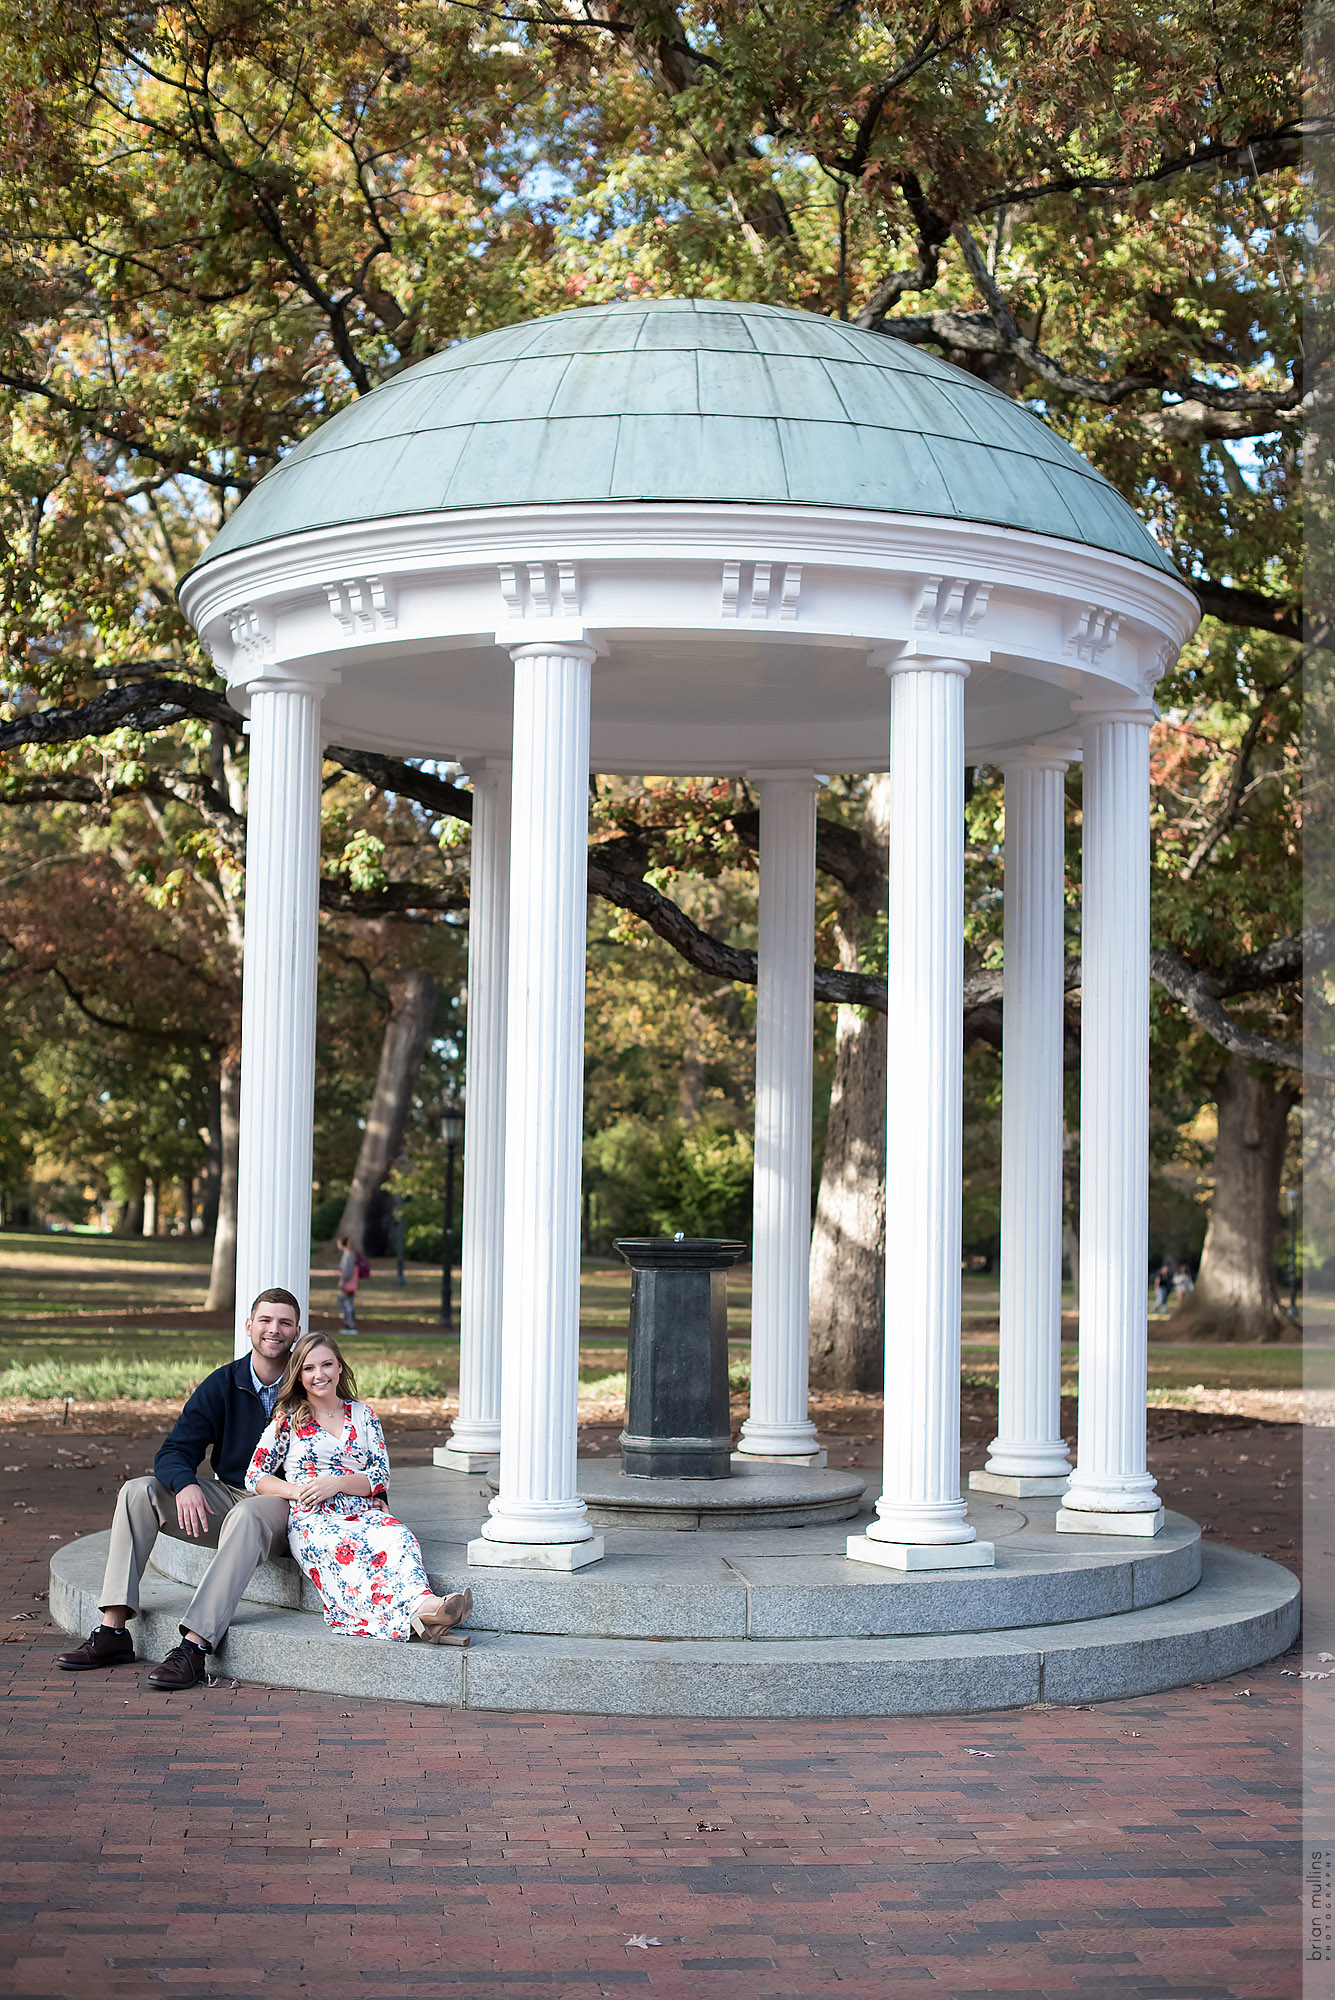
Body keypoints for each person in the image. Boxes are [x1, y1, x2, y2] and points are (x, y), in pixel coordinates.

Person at [56, 1288, 302, 1691]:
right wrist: (186, 1484)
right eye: (265, 1320)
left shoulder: (309, 1381)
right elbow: (174, 1450)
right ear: (249, 1327)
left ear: (296, 1331)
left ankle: (193, 1647)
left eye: (284, 1323)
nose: (274, 1330)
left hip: (289, 1503)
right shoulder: (225, 1383)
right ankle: (113, 1631)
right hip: (236, 1492)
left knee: (247, 1513)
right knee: (139, 1492)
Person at [246, 1330, 472, 1645]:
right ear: (299, 1377)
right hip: (314, 1519)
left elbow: (380, 1474)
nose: (319, 1374)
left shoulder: (363, 1415)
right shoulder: (289, 1419)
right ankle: (427, 1613)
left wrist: (337, 1483)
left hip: (361, 1509)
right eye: (308, 1369)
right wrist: (299, 1491)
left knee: (398, 1538)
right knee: (347, 1557)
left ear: (340, 1367)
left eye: (326, 1365)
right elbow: (256, 1475)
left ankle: (427, 1605)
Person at [336, 1235, 360, 1332]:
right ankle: (349, 1322)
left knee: (345, 1302)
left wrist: (342, 1280)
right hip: (349, 1283)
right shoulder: (348, 1254)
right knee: (347, 1302)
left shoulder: (348, 1255)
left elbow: (348, 1270)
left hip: (347, 1283)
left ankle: (350, 1324)